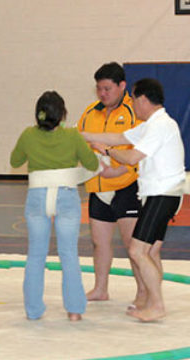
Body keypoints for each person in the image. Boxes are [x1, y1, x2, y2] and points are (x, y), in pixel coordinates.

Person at [82, 78, 185, 322]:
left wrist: (104, 151)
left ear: (142, 99)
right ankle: (151, 300)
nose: (132, 105)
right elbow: (118, 137)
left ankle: (157, 305)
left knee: (138, 250)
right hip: (161, 194)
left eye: (133, 99)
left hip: (163, 194)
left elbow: (131, 157)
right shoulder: (151, 124)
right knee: (152, 251)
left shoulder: (160, 126)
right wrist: (79, 135)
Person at [11, 91, 98, 321]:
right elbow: (92, 163)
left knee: (36, 255)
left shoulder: (28, 135)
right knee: (69, 253)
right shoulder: (73, 136)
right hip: (66, 195)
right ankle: (75, 311)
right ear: (62, 114)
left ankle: (33, 310)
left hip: (37, 196)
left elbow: (15, 161)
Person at [77, 62, 143, 305]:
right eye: (99, 89)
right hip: (98, 187)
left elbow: (142, 151)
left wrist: (120, 170)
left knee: (133, 244)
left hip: (127, 185)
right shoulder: (89, 113)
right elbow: (81, 146)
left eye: (107, 88)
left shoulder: (135, 112)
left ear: (122, 86)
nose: (102, 93)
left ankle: (142, 292)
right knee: (99, 242)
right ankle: (100, 288)